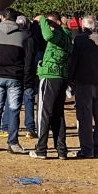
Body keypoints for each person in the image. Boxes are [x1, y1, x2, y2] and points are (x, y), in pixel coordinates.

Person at [0, 9, 31, 154]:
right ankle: (12, 142)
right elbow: (25, 57)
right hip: (15, 76)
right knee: (14, 110)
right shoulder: (22, 36)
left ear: (3, 18)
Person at [30, 12, 72, 159]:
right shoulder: (67, 35)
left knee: (44, 113)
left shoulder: (58, 35)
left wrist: (42, 19)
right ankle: (61, 149)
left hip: (50, 75)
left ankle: (41, 149)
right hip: (61, 76)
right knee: (58, 114)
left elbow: (47, 36)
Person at [70, 16, 98, 158]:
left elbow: (73, 61)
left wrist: (71, 80)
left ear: (84, 26)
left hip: (84, 83)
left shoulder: (80, 41)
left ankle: (87, 149)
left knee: (85, 116)